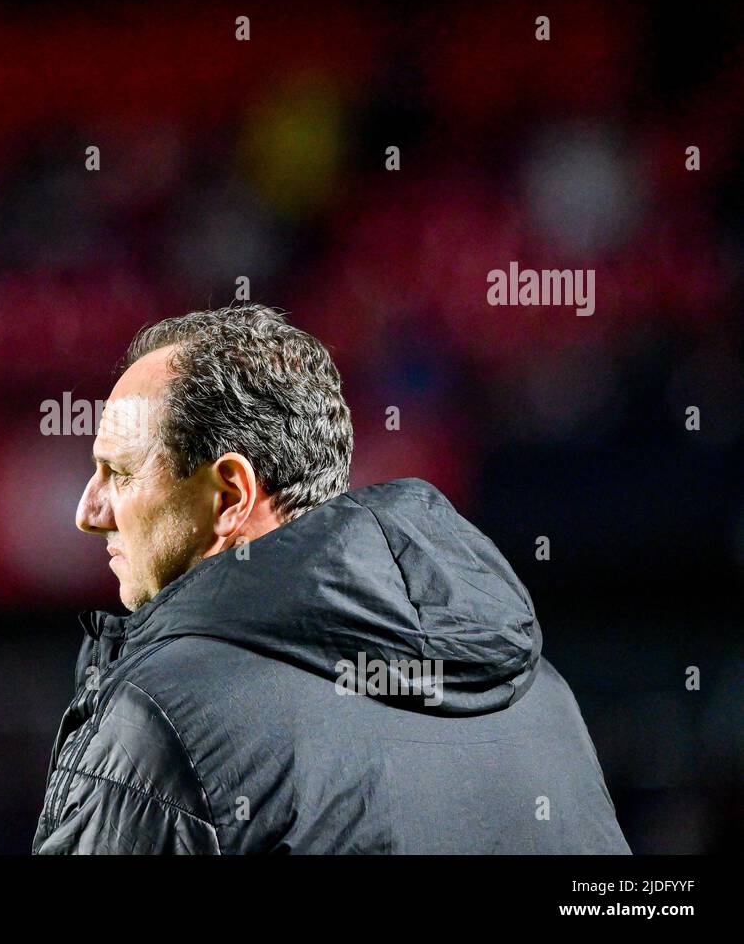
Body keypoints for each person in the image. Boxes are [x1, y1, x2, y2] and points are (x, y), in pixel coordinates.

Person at [33, 303, 630, 854]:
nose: (89, 513)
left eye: (119, 472)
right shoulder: (540, 696)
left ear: (230, 496)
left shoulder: (160, 718)